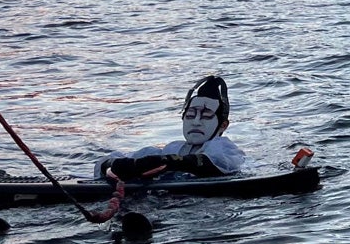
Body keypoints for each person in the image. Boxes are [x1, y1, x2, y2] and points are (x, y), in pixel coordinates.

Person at [95, 75, 245, 181]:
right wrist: (114, 164)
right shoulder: (173, 148)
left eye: (206, 116)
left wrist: (170, 161)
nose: (196, 122)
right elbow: (106, 161)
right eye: (190, 115)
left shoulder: (226, 149)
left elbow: (216, 163)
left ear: (223, 125)